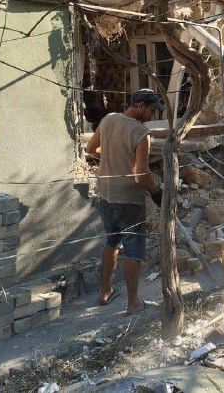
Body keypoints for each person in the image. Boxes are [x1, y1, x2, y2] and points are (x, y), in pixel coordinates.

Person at [85, 88, 163, 315]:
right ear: (139, 105)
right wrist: (157, 192)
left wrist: (111, 157)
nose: (151, 115)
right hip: (129, 200)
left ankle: (105, 292)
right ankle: (133, 303)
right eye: (150, 109)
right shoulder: (140, 133)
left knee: (112, 242)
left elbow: (90, 149)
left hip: (106, 194)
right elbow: (141, 175)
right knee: (133, 249)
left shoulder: (109, 120)